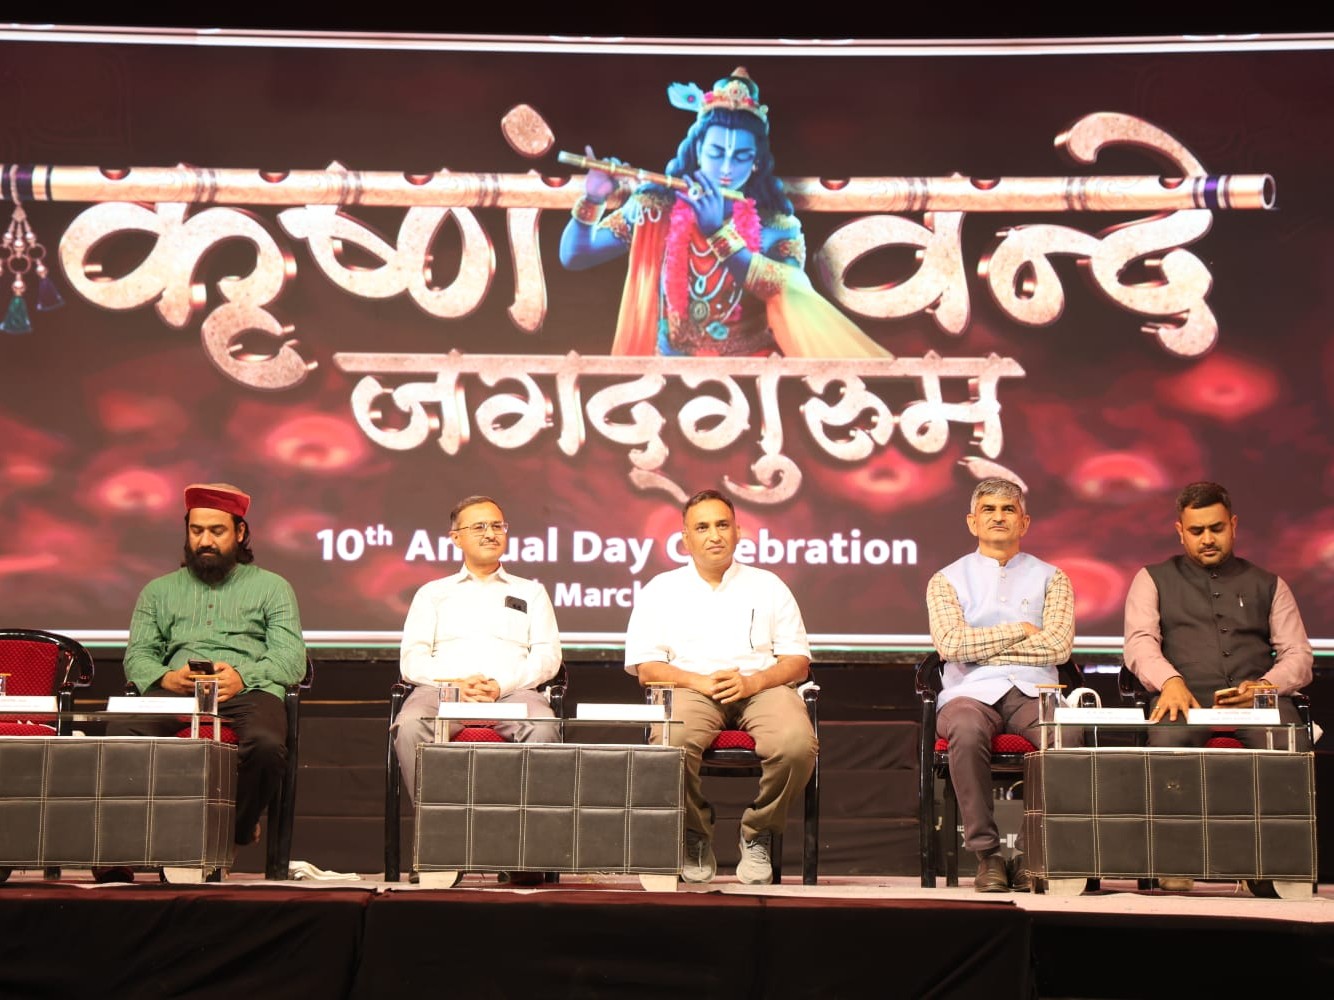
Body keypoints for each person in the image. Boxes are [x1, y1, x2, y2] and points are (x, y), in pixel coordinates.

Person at [559, 67, 889, 359]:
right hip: (666, 373)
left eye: (742, 156)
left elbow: (790, 293)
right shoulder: (655, 207)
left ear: (756, 162)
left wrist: (718, 233)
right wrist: (593, 198)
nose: (727, 167)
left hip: (752, 374)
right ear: (698, 150)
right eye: (716, 153)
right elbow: (575, 257)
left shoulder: (777, 225)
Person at [624, 489, 817, 885]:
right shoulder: (661, 589)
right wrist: (699, 681)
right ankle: (694, 833)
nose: (714, 535)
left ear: (737, 531)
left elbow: (798, 662)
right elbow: (647, 668)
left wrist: (753, 682)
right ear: (685, 539)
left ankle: (758, 831)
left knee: (797, 745)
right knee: (671, 744)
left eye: (722, 525)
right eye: (702, 527)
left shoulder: (768, 585)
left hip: (761, 688)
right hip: (692, 688)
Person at [116, 482, 306, 875]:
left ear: (240, 532)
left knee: (267, 746)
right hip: (177, 691)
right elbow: (138, 657)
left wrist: (243, 675)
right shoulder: (158, 591)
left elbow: (291, 660)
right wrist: (168, 677)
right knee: (121, 736)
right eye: (196, 530)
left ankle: (233, 832)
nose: (205, 541)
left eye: (216, 531)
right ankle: (122, 849)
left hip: (248, 690)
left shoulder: (273, 588)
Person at [926, 477, 1076, 893]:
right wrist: (1021, 630)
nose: (998, 517)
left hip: (1036, 693)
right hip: (969, 693)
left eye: (1008, 509)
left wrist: (980, 646)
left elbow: (1058, 647)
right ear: (972, 522)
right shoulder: (946, 580)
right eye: (988, 509)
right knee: (965, 728)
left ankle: (1031, 854)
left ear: (1024, 522)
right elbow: (950, 645)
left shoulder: (1053, 578)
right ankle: (987, 855)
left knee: (1066, 734)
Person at [392, 495, 562, 806]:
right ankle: (435, 820)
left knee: (543, 727)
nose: (490, 534)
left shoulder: (531, 592)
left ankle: (533, 824)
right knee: (410, 725)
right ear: (456, 538)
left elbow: (547, 657)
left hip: (513, 693)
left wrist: (501, 685)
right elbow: (412, 660)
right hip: (442, 692)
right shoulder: (432, 594)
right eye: (479, 527)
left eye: (497, 526)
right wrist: (455, 683)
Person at [1124, 481, 1313, 746]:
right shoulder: (1151, 579)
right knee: (1170, 741)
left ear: (1233, 525)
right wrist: (1170, 681)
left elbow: (1298, 654)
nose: (1208, 539)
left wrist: (1265, 687)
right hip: (1182, 698)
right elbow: (1140, 643)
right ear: (1180, 532)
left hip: (1259, 703)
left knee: (1287, 742)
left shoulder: (1270, 584)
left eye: (1217, 528)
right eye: (1196, 531)